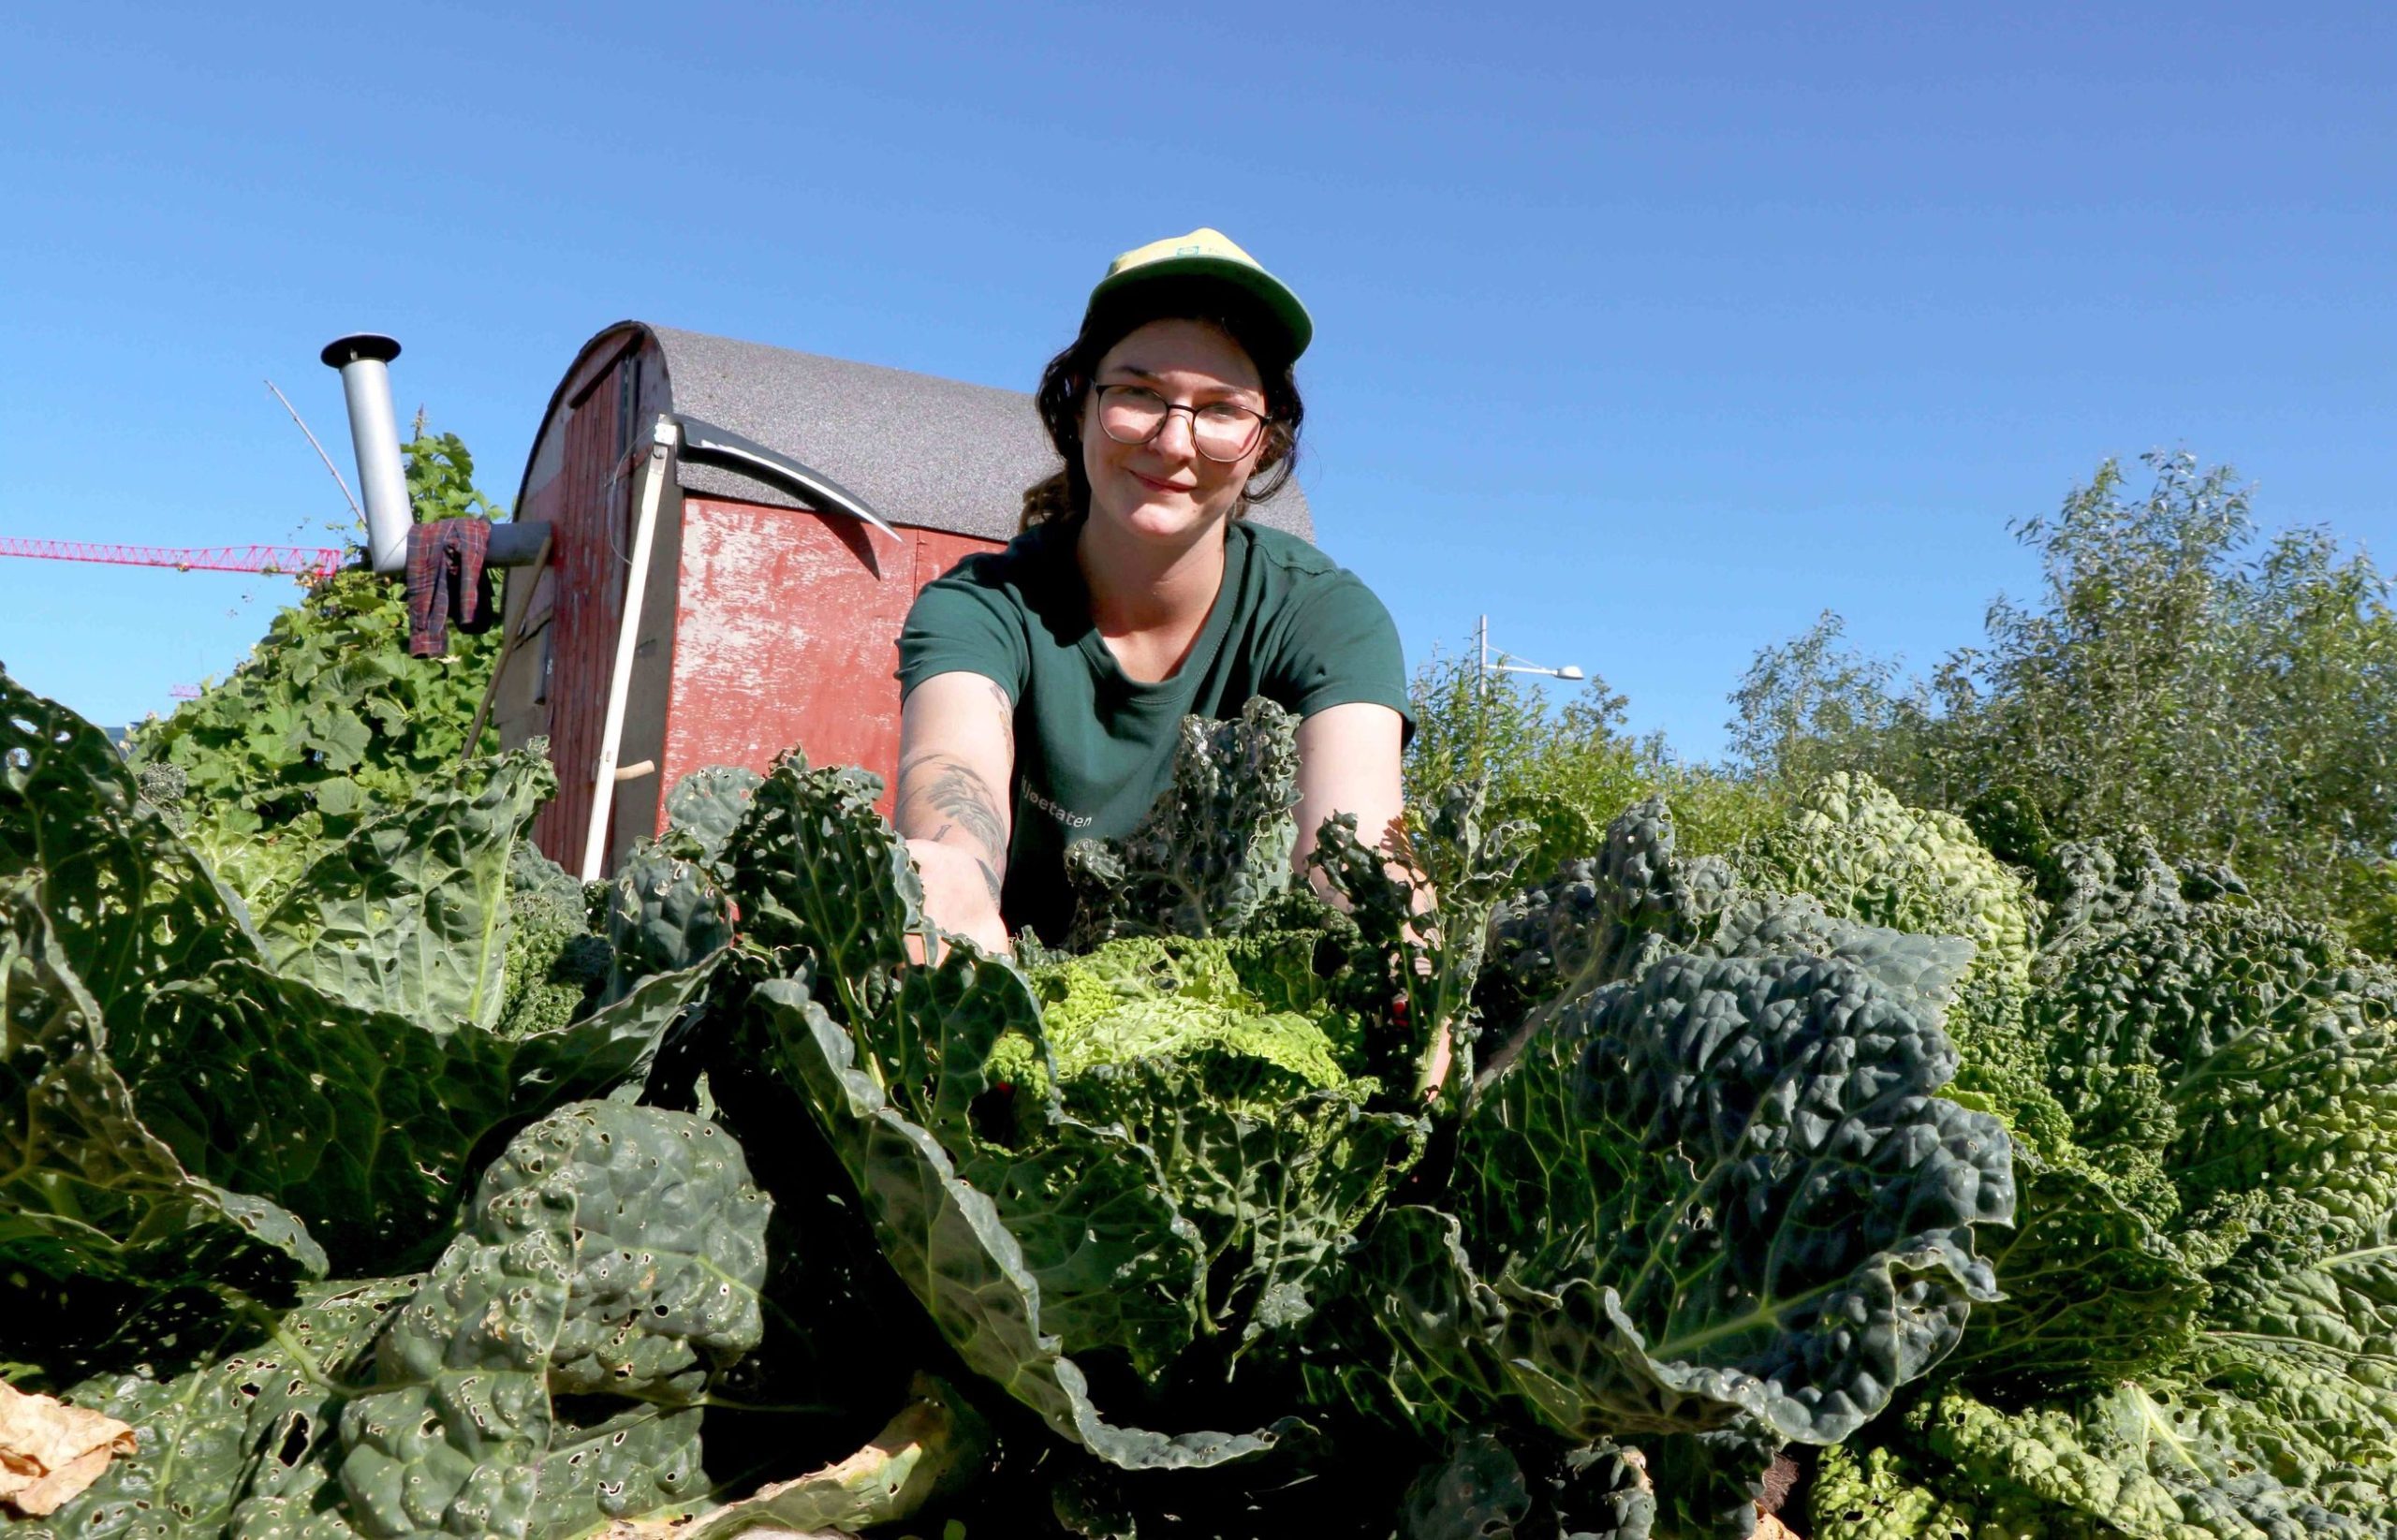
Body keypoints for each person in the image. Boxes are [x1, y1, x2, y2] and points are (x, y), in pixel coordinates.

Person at [894, 228, 1412, 955]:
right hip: (1013, 1030)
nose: (1173, 442)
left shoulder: (1326, 620)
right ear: (1079, 406)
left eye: (1222, 409)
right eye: (1139, 393)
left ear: (1264, 441)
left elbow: (1357, 859)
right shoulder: (983, 605)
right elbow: (950, 780)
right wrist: (949, 882)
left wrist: (1392, 950)